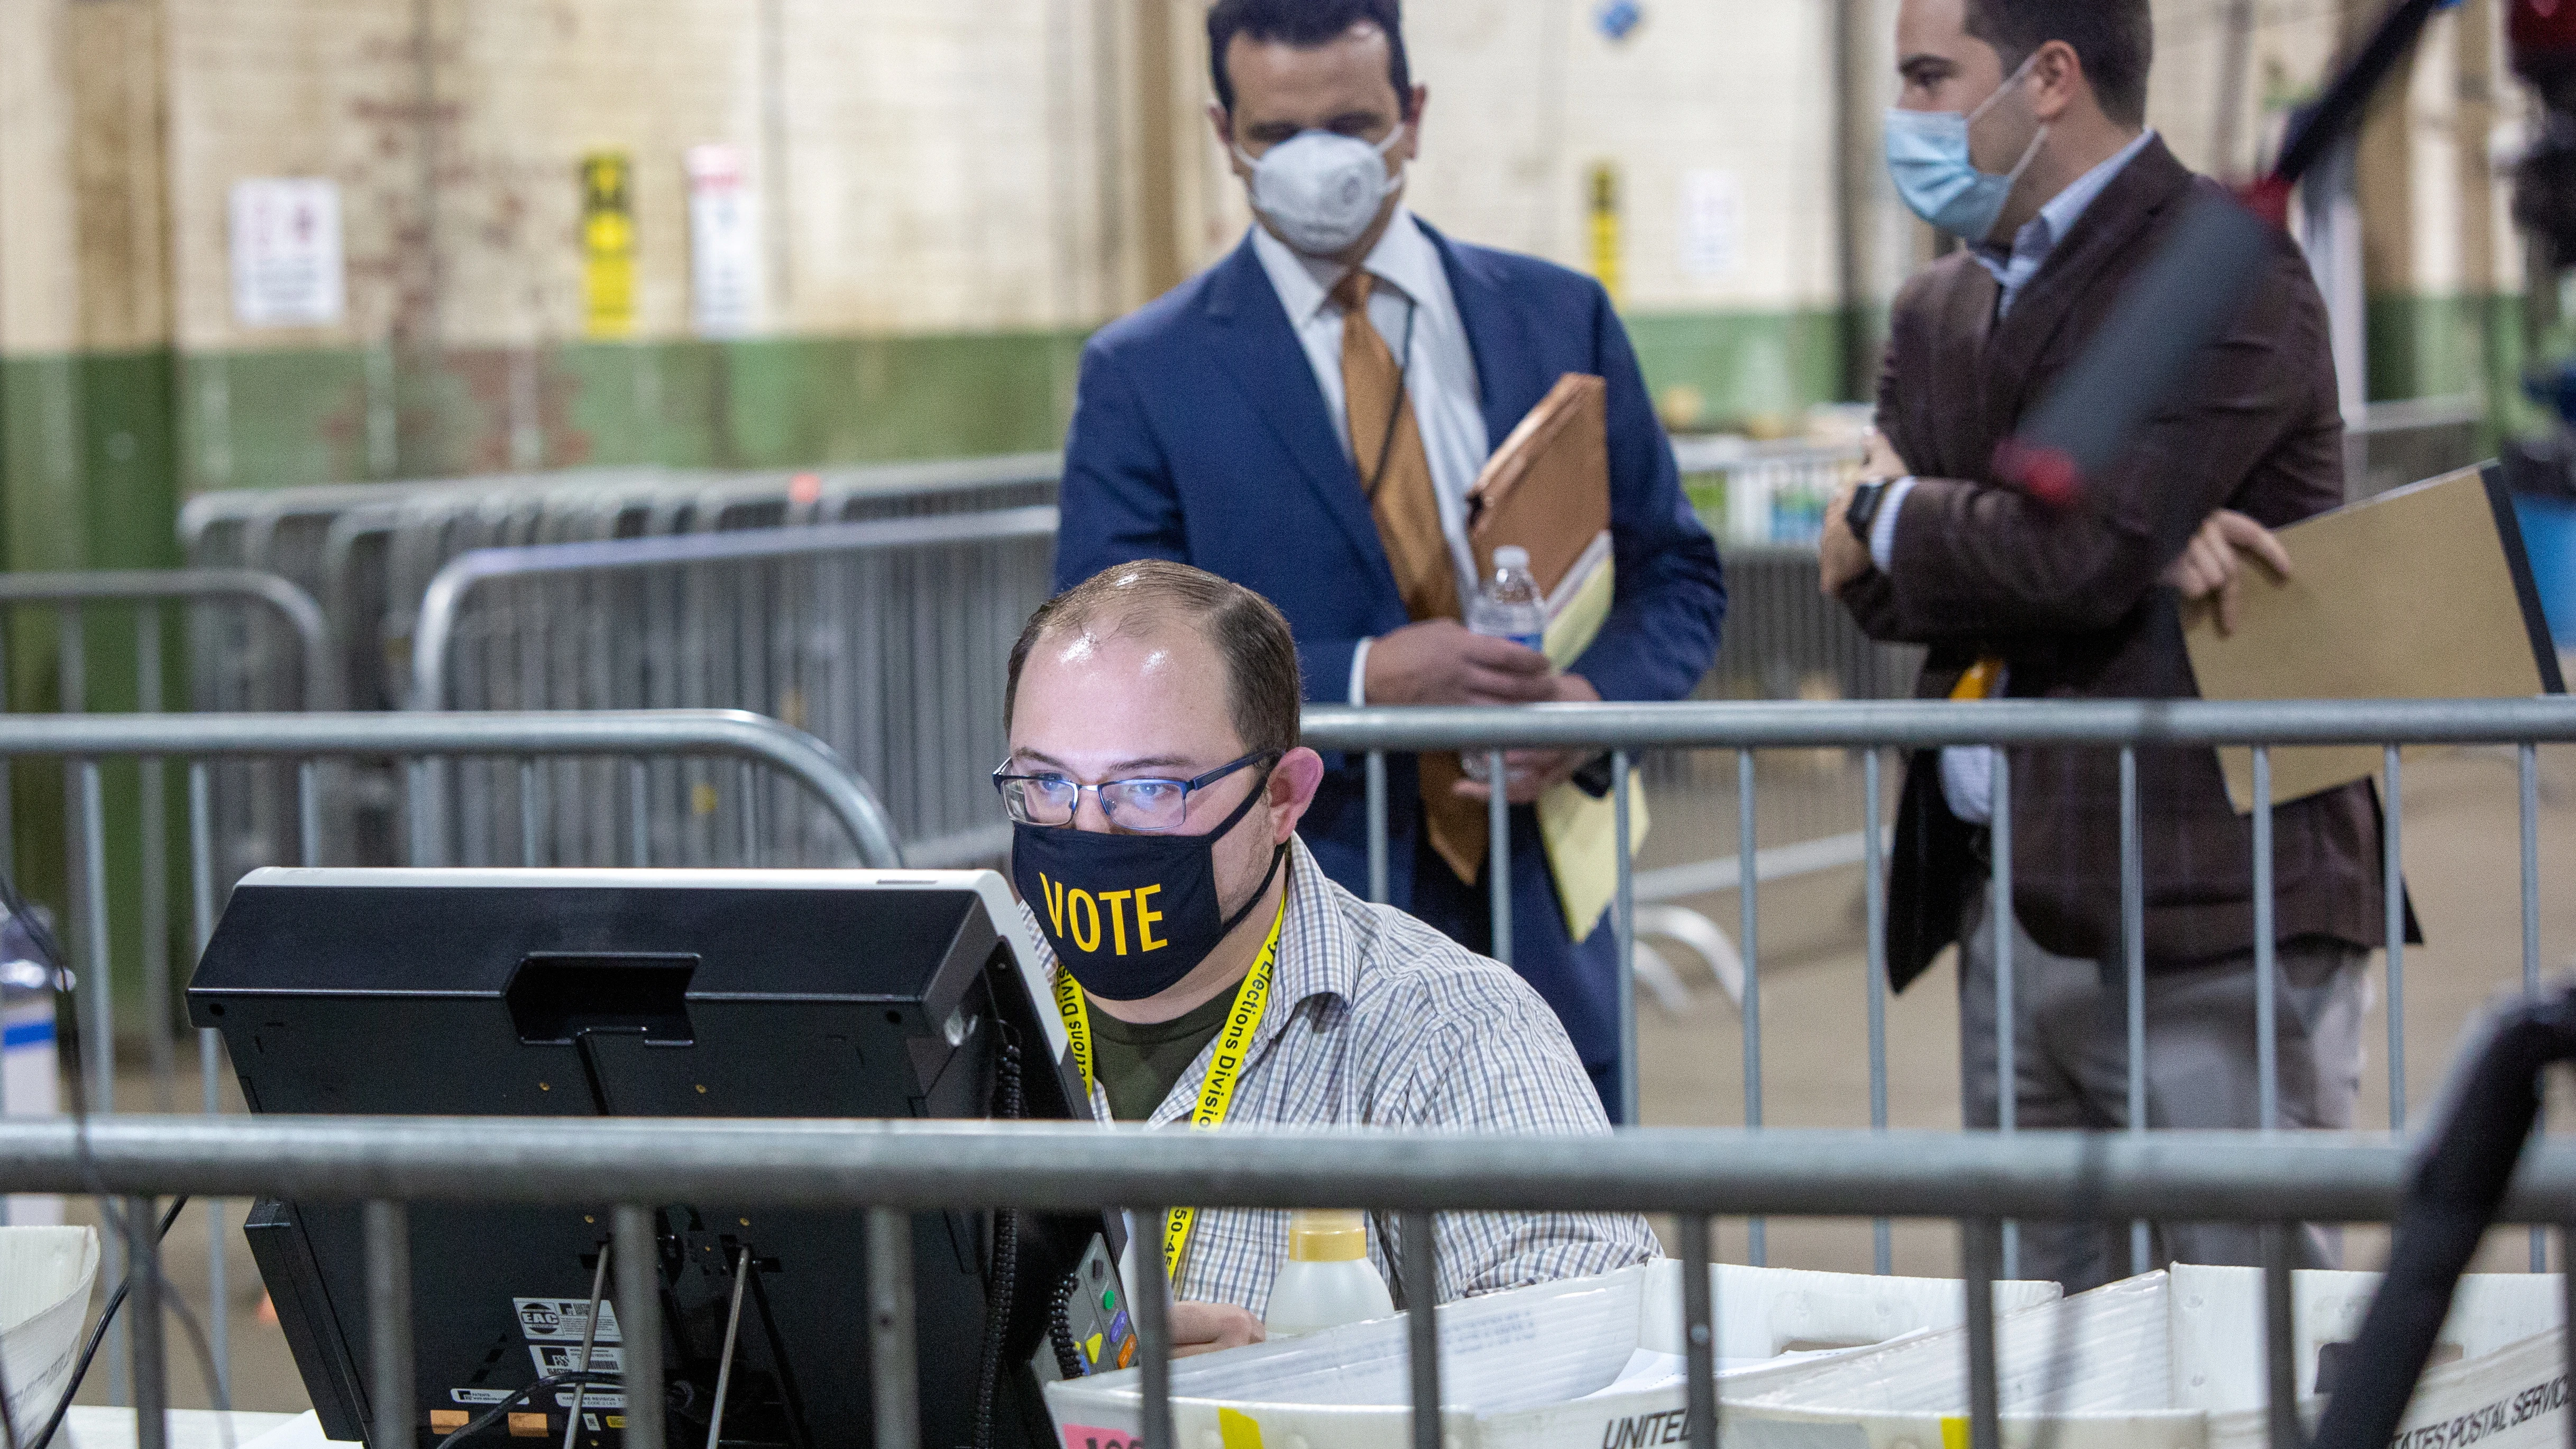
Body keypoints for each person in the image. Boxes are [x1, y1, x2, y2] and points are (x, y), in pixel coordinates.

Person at [1052, 0, 1725, 1111]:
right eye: (1276, 135)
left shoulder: (1559, 319)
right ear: (1224, 135)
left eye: (1353, 123)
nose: (1317, 163)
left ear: (1411, 116)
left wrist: (1588, 703)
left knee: (1560, 1260)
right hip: (1295, 942)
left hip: (1542, 918)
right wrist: (1362, 680)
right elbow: (1106, 660)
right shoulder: (1146, 373)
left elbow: (1675, 575)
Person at [1820, 0, 2398, 1290]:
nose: (1904, 116)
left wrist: (1891, 505)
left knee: (2239, 1319)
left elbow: (2061, 555)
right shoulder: (1937, 305)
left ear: (2048, 78)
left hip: (2213, 902)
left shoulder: (2219, 270)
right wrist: (2035, 539)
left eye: (1928, 76)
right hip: (2006, 899)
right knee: (2038, 1330)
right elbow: (1872, 589)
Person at [999, 560, 1659, 1353]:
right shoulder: (956, 1002)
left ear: (1282, 797)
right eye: (1045, 784)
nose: (1088, 831)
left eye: (1148, 790)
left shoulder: (1453, 1030)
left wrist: (1291, 1402)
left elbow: (1588, 1351)